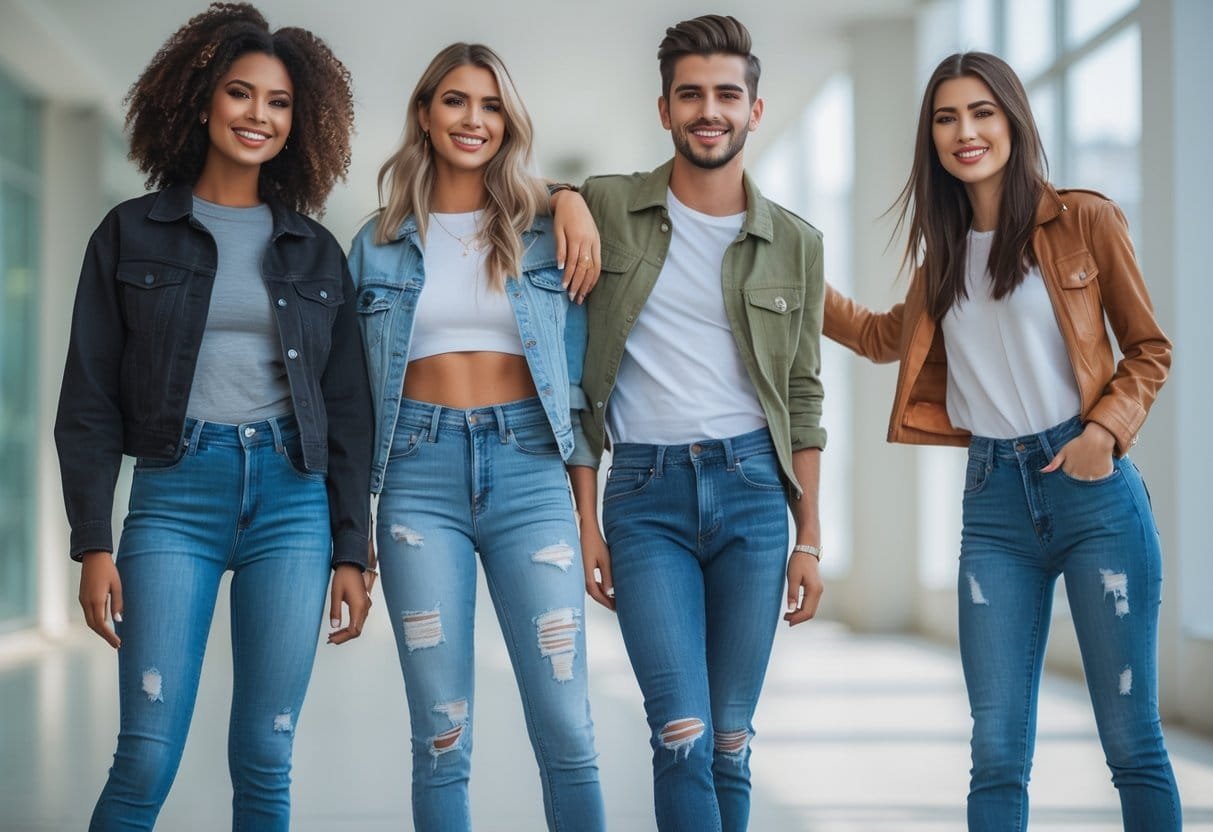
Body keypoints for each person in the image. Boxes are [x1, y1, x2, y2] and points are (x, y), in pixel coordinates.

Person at [824, 51, 1180, 831]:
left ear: (1013, 121)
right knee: (994, 752)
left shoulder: (1082, 220)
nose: (965, 131)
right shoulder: (942, 258)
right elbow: (882, 336)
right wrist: (793, 273)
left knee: (1132, 742)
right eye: (946, 117)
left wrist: (1101, 434)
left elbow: (1148, 349)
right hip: (992, 506)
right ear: (931, 138)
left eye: (981, 112)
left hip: (1092, 494)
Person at [54, 5, 373, 829]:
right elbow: (87, 400)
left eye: (278, 103)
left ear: (298, 123)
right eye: (240, 94)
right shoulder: (128, 234)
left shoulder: (314, 249)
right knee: (145, 756)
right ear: (201, 102)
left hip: (291, 506)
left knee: (267, 758)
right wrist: (92, 540)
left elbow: (345, 410)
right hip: (175, 498)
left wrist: (351, 548)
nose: (257, 115)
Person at [570, 15, 827, 831]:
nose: (707, 110)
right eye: (690, 95)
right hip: (643, 496)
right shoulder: (611, 207)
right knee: (677, 731)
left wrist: (808, 536)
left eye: (725, 94)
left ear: (754, 110)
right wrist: (562, 197)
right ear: (664, 109)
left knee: (727, 738)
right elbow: (512, 186)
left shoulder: (795, 241)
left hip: (753, 492)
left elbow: (805, 394)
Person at [347, 42, 606, 832]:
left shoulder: (544, 234)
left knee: (566, 726)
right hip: (417, 481)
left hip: (530, 470)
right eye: (456, 101)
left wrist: (588, 521)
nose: (474, 119)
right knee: (440, 732)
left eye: (491, 105)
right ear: (425, 115)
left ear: (508, 122)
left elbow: (580, 390)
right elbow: (353, 403)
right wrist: (350, 534)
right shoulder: (374, 243)